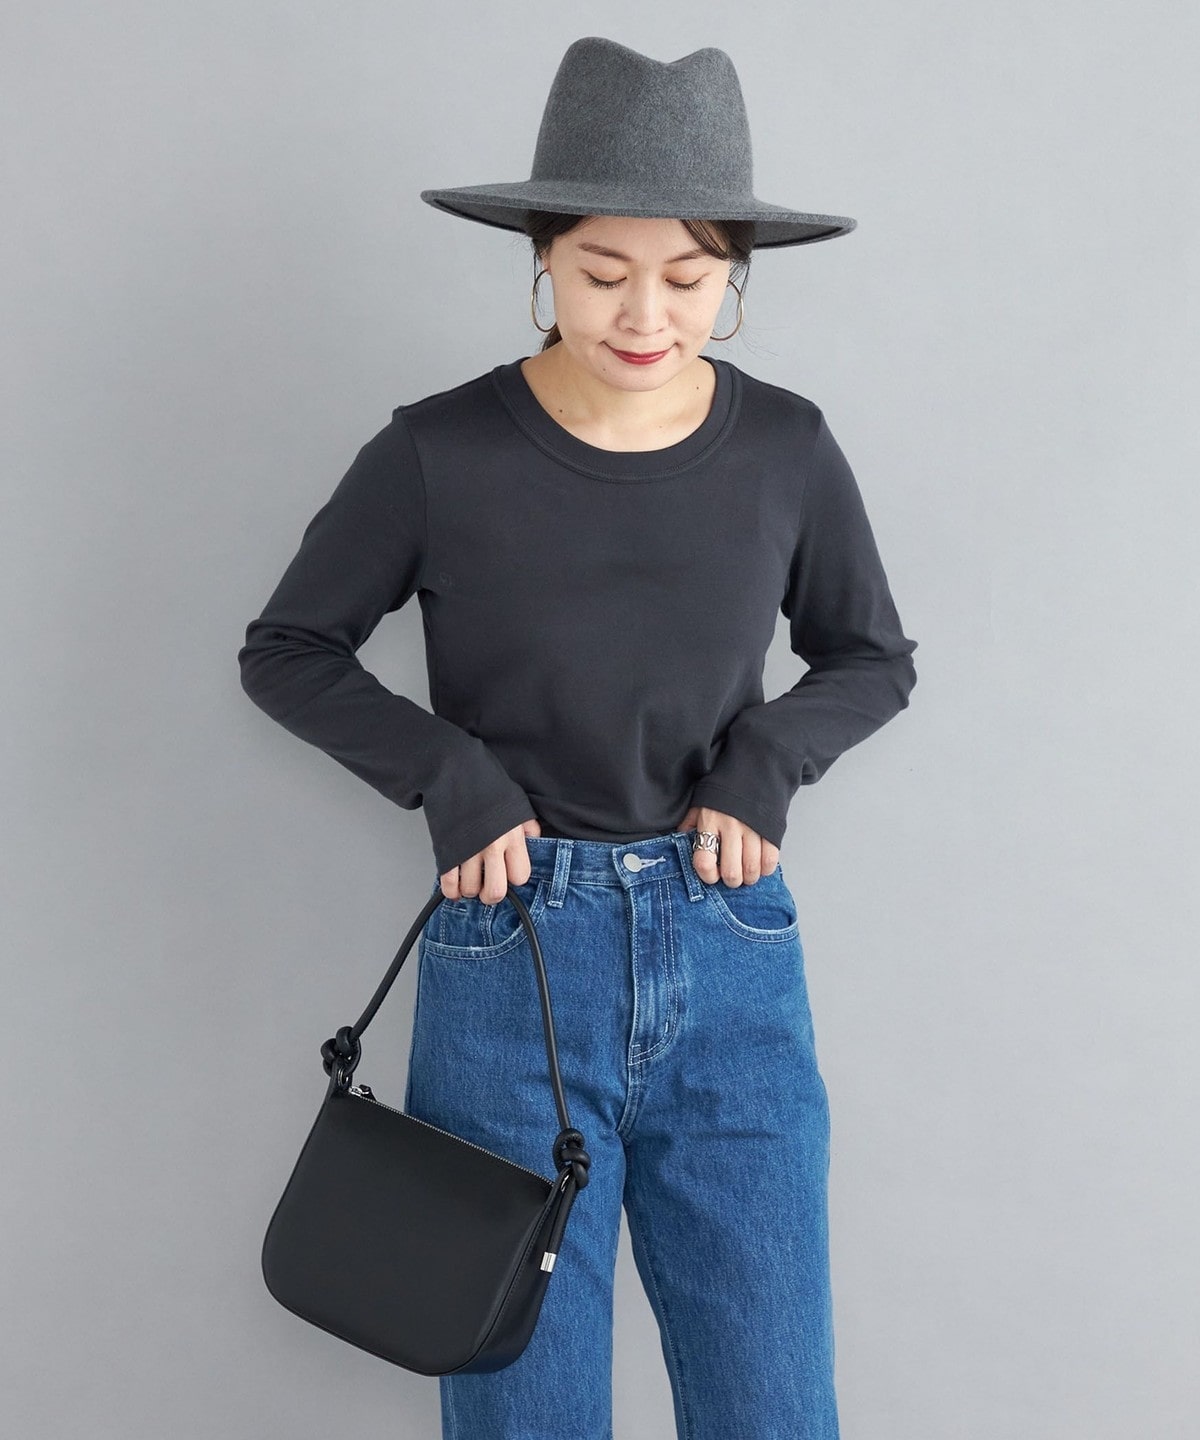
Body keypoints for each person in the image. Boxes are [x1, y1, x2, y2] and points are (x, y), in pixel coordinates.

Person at [238, 35, 917, 1440]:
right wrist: (452, 778)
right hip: (512, 959)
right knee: (523, 1413)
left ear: (736, 276)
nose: (645, 314)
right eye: (604, 272)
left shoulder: (787, 450)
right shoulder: (438, 452)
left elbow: (872, 659)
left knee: (774, 1407)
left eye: (689, 276)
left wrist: (766, 764)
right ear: (543, 257)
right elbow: (287, 649)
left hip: (730, 952)